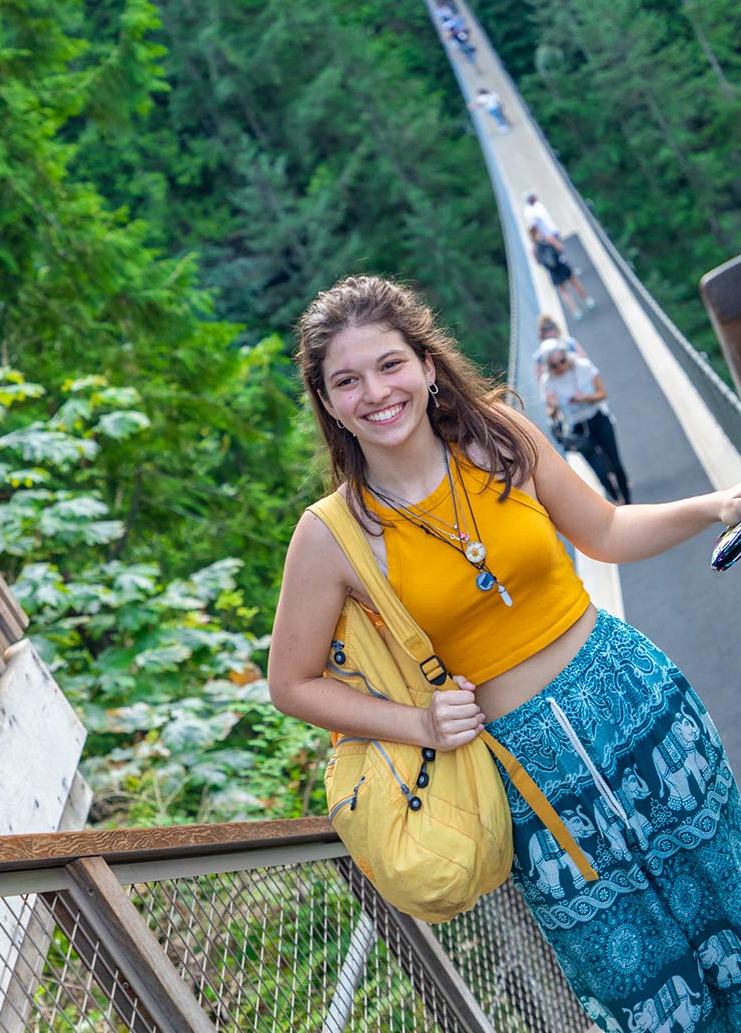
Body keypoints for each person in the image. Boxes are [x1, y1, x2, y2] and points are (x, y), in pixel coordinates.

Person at [268, 274, 741, 1033]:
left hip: (640, 704)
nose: (375, 392)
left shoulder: (500, 436)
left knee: (730, 895)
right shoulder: (332, 535)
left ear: (426, 366)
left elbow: (608, 532)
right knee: (637, 981)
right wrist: (417, 724)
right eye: (346, 381)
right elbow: (291, 683)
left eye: (390, 365)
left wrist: (716, 505)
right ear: (328, 404)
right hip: (529, 776)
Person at [540, 341, 632, 503]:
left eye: (562, 361)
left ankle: (628, 502)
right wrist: (553, 407)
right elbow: (551, 412)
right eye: (554, 366)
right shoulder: (547, 381)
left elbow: (602, 394)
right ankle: (618, 500)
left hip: (597, 418)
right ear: (549, 366)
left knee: (615, 463)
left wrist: (586, 398)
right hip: (577, 429)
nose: (560, 367)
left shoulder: (583, 367)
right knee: (600, 473)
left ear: (566, 356)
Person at [529, 225, 595, 321]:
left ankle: (576, 312)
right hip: (561, 265)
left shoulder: (534, 249)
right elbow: (560, 248)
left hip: (553, 271)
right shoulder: (548, 238)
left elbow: (538, 262)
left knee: (564, 291)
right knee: (575, 283)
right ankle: (587, 300)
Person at [533, 313, 588, 381]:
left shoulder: (569, 342)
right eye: (549, 339)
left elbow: (584, 358)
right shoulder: (540, 356)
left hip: (577, 377)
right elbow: (540, 378)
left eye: (554, 337)